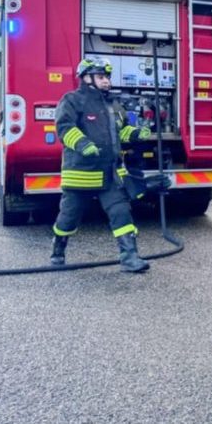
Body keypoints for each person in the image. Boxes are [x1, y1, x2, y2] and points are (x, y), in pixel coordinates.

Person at [50, 58, 151, 273]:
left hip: (111, 174)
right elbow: (64, 128)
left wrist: (135, 133)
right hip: (81, 173)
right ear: (86, 78)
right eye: (101, 77)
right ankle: (58, 249)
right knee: (68, 217)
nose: (106, 82)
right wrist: (82, 143)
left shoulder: (114, 105)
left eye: (107, 77)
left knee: (121, 212)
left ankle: (130, 257)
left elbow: (121, 132)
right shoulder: (71, 100)